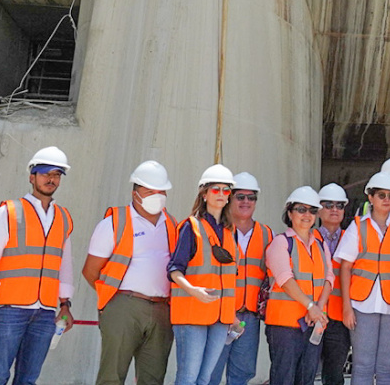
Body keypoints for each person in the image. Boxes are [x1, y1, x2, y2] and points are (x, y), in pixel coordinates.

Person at [0, 146, 75, 385]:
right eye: (46, 173)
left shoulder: (64, 218)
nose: (51, 179)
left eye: (56, 174)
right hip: (8, 310)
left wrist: (65, 305)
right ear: (31, 176)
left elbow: (65, 266)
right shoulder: (9, 212)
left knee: (28, 379)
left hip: (45, 312)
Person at [84, 160, 177, 385]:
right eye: (150, 191)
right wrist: (113, 301)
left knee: (153, 377)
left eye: (161, 191)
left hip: (162, 310)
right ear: (135, 193)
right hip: (123, 305)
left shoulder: (173, 225)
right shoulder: (114, 223)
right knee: (112, 376)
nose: (157, 195)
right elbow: (90, 271)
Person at [336, 172, 390, 385]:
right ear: (370, 198)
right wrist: (346, 306)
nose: (386, 200)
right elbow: (345, 267)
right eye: (381, 195)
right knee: (363, 365)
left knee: (388, 367)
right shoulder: (358, 226)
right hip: (362, 304)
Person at [168, 164, 240, 385]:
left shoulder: (230, 231)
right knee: (188, 377)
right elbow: (174, 269)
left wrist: (232, 314)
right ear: (204, 193)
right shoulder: (191, 227)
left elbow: (229, 277)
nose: (221, 194)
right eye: (215, 189)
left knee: (206, 378)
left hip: (220, 318)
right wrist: (193, 290)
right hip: (192, 315)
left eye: (226, 190)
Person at [266, 186, 335, 385]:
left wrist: (318, 309)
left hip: (313, 323)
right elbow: (285, 280)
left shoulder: (320, 245)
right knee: (283, 378)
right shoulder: (281, 243)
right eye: (301, 209)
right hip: (285, 326)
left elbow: (329, 278)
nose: (307, 215)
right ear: (290, 213)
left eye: (312, 210)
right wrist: (311, 307)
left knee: (306, 379)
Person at [210, 172, 272, 385]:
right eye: (240, 196)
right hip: (218, 315)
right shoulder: (217, 231)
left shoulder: (266, 234)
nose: (246, 201)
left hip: (249, 318)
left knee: (241, 375)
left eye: (251, 197)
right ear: (229, 198)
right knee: (211, 373)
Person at [318, 183, 352, 385]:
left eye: (339, 205)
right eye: (328, 204)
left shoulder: (352, 238)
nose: (334, 209)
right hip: (312, 313)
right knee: (305, 368)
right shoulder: (307, 237)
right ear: (319, 209)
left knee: (334, 372)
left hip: (340, 315)